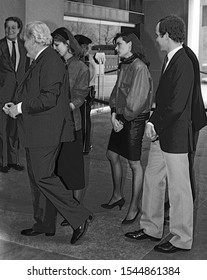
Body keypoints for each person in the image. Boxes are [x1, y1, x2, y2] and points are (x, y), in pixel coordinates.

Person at [2, 21, 93, 245]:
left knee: (44, 177)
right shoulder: (41, 60)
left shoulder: (50, 60)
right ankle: (44, 223)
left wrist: (20, 108)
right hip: (36, 130)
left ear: (34, 39)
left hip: (46, 131)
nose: (24, 45)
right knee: (37, 179)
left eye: (26, 41)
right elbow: (33, 91)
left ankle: (79, 217)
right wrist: (15, 105)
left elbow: (49, 98)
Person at [125, 15, 195, 253]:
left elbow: (176, 105)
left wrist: (154, 124)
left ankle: (181, 238)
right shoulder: (170, 58)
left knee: (179, 189)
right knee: (153, 180)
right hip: (163, 133)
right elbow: (166, 99)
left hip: (174, 135)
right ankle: (151, 228)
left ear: (167, 35)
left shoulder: (183, 61)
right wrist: (155, 123)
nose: (156, 39)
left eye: (158, 34)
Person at [101, 32, 153, 224]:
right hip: (122, 116)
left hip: (134, 118)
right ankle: (117, 196)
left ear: (130, 45)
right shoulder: (125, 64)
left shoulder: (139, 66)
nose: (116, 48)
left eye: (119, 44)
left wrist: (122, 118)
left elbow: (137, 100)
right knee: (112, 154)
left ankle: (134, 206)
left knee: (134, 164)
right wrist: (114, 113)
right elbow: (117, 91)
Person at [51, 27, 90, 226]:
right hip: (54, 125)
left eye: (57, 45)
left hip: (72, 124)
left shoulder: (80, 67)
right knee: (58, 170)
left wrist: (65, 107)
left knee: (74, 171)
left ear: (67, 44)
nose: (54, 48)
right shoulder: (53, 63)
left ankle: (77, 211)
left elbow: (80, 97)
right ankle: (69, 209)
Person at [0, 16, 29, 173]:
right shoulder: (0, 45)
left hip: (19, 96)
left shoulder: (25, 46)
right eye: (7, 27)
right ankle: (3, 162)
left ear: (19, 30)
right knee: (2, 129)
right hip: (2, 95)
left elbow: (26, 71)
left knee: (15, 130)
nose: (10, 30)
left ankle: (14, 160)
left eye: (13, 27)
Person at [74, 34, 97, 154]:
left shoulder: (86, 60)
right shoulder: (84, 58)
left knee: (84, 120)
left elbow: (88, 78)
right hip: (84, 91)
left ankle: (84, 146)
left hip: (85, 92)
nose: (86, 49)